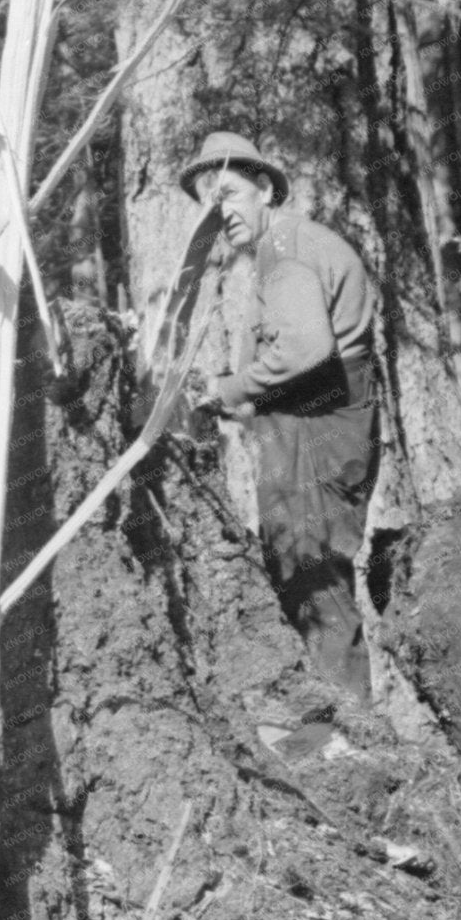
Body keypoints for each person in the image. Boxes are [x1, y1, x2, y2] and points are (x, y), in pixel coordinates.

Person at [182, 131, 380, 701]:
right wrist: (240, 403)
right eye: (208, 205)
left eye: (229, 194)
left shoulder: (286, 251)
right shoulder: (285, 248)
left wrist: (227, 388)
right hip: (306, 432)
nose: (220, 214)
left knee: (316, 586)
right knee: (310, 584)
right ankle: (327, 739)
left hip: (315, 438)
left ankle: (341, 749)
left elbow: (304, 349)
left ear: (265, 188)